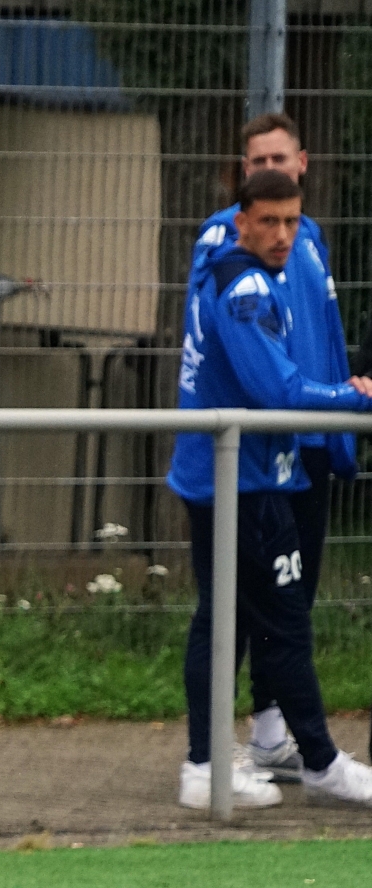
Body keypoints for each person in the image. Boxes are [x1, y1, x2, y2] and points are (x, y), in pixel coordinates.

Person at [169, 167, 372, 810]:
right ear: (242, 222)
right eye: (269, 222)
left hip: (240, 472)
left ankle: (218, 762)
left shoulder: (245, 275)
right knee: (277, 621)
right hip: (241, 479)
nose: (282, 234)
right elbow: (276, 391)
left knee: (234, 617)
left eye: (291, 221)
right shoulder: (246, 287)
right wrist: (353, 397)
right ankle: (310, 764)